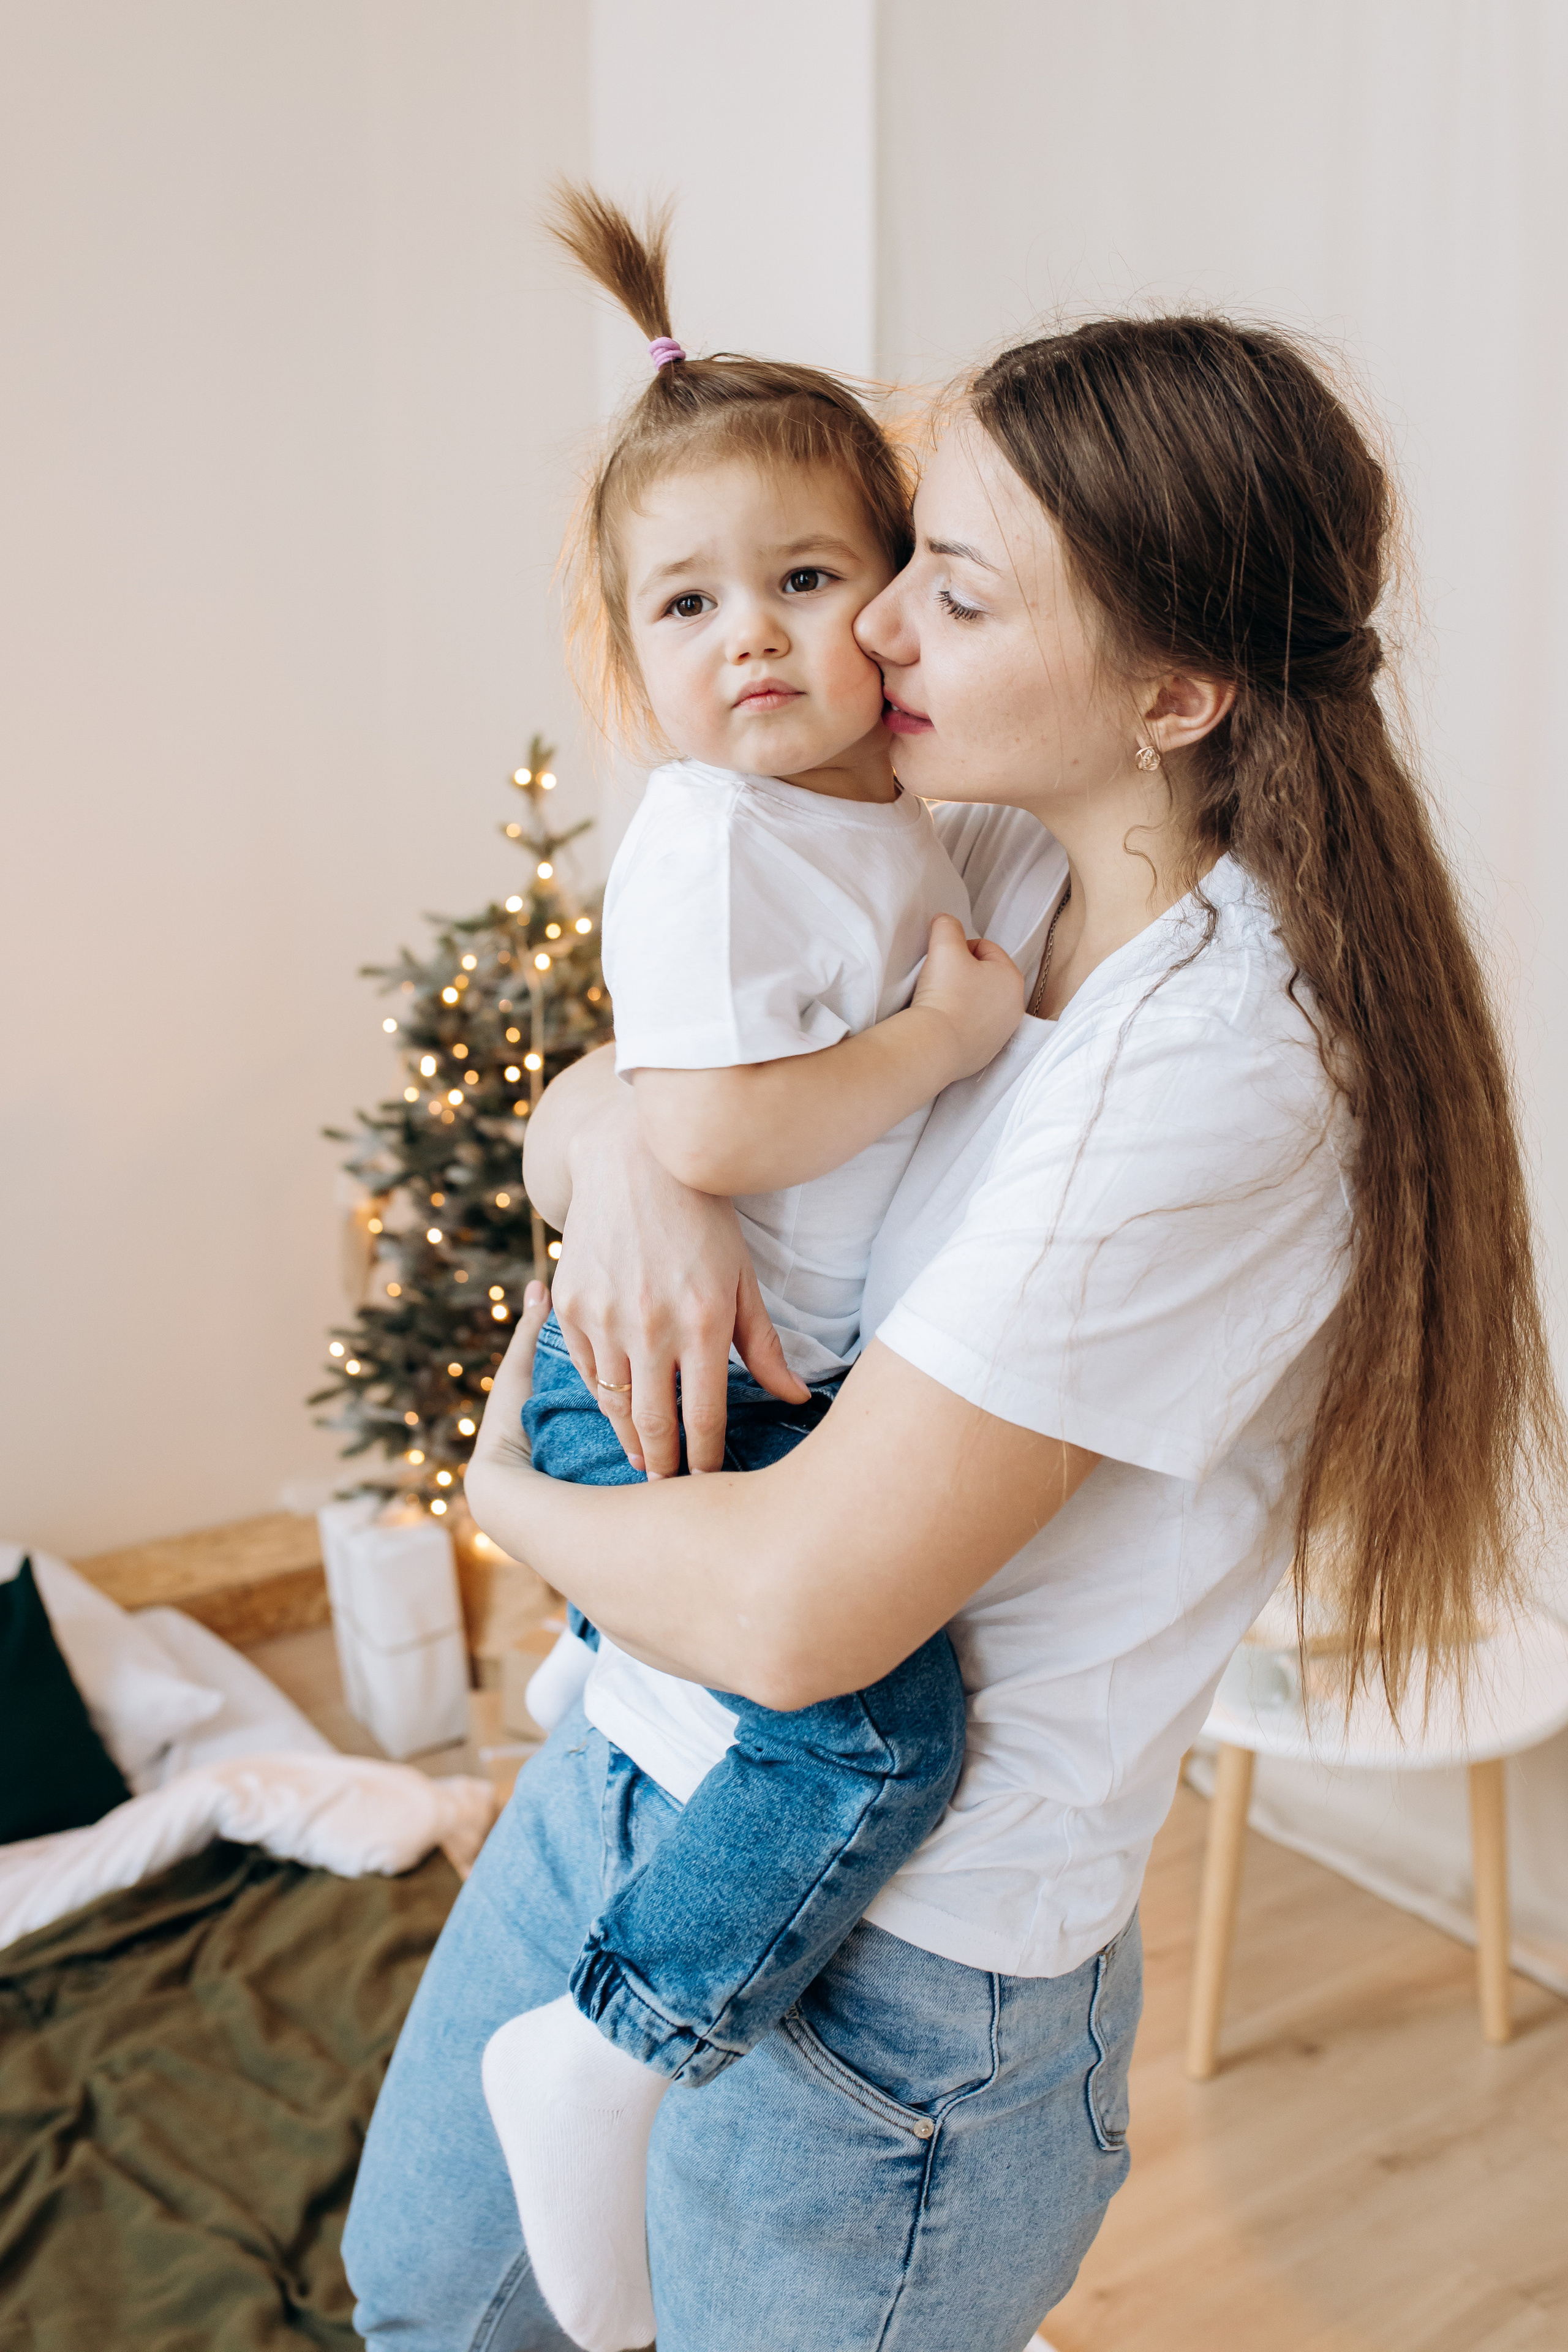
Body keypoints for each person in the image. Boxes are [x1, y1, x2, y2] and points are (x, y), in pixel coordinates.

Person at [344, 311, 1560, 2352]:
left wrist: (506, 1503)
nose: (875, 625)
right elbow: (629, 1103)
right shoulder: (986, 850)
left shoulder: (1230, 1068)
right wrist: (636, 1155)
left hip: (894, 1962)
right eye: (905, 554)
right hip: (636, 1766)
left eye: (954, 592)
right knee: (423, 2307)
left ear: (1172, 693)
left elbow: (805, 1617)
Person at [482, 188, 1027, 2352]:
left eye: (807, 579)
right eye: (692, 603)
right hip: (678, 1389)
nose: (759, 641)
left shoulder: (874, 808)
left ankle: (615, 1654)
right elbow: (699, 1133)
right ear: (634, 654)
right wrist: (942, 1044)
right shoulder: (722, 835)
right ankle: (607, 2048)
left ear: (896, 590)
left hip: (755, 1377)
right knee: (876, 1746)